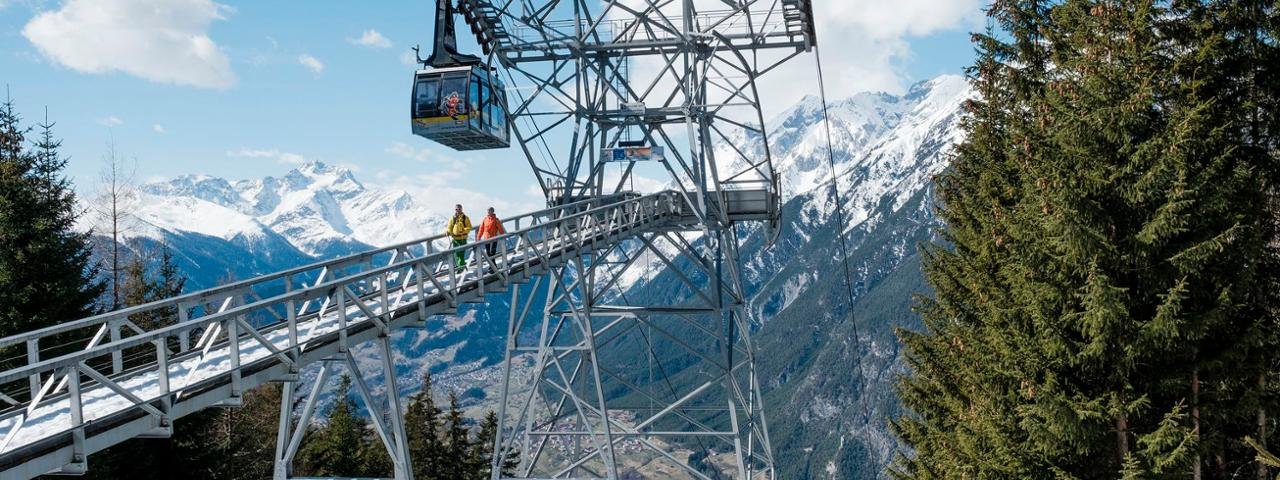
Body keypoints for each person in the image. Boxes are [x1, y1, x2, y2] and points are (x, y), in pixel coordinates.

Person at [446, 204, 471, 268]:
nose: (458, 210)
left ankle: (461, 267)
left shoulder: (465, 218)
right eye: (456, 209)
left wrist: (463, 230)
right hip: (455, 239)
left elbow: (469, 227)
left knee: (461, 254)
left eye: (459, 209)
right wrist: (448, 231)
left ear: (462, 209)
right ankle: (460, 266)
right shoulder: (453, 218)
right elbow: (449, 226)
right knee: (457, 254)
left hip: (463, 238)